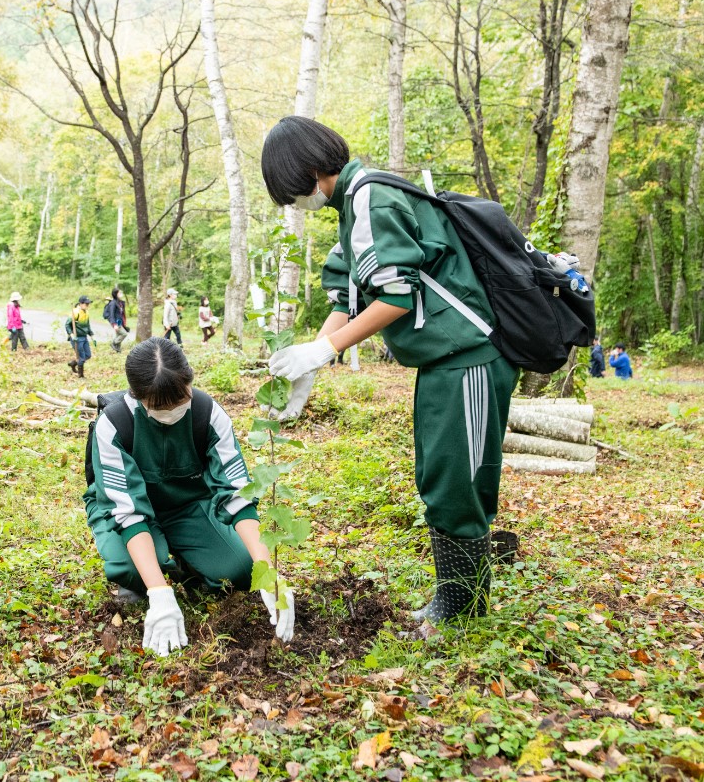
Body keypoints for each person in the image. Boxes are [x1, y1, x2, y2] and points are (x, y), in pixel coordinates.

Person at [259, 115, 517, 629]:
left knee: (458, 480)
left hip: (469, 358)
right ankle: (455, 598)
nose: (294, 205)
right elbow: (348, 296)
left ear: (308, 169)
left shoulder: (370, 198)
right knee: (439, 474)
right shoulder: (353, 205)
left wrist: (323, 349)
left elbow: (397, 296)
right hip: (442, 362)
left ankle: (463, 608)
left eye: (290, 192)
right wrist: (316, 355)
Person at [85, 338, 295, 655]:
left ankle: (181, 558)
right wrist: (158, 592)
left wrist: (267, 572)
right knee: (131, 571)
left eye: (180, 400)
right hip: (126, 516)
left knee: (240, 569)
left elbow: (237, 495)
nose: (172, 412)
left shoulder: (208, 414)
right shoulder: (114, 425)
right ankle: (156, 568)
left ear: (190, 381)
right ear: (137, 397)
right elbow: (126, 513)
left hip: (188, 507)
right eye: (159, 407)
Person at [68, 295, 94, 378]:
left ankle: (73, 363)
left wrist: (92, 336)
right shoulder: (75, 312)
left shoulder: (86, 313)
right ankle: (81, 375)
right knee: (82, 357)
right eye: (86, 304)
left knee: (88, 355)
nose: (88, 306)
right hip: (77, 338)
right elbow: (67, 325)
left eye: (88, 304)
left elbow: (87, 326)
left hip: (84, 337)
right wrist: (72, 335)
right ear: (81, 304)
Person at [105, 287, 130, 353]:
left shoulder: (120, 302)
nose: (121, 294)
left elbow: (122, 314)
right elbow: (111, 314)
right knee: (124, 334)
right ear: (116, 294)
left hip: (120, 322)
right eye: (119, 293)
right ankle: (114, 343)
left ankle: (118, 350)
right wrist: (114, 324)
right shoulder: (113, 303)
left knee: (118, 335)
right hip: (116, 322)